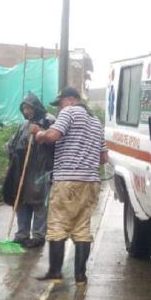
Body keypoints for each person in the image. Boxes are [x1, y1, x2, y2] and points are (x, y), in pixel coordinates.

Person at [32, 86, 107, 284]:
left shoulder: (69, 112)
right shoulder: (95, 121)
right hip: (90, 182)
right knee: (82, 228)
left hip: (67, 180)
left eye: (60, 103)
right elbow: (103, 157)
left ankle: (55, 271)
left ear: (71, 100)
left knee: (57, 224)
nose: (59, 108)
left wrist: (39, 134)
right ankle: (80, 276)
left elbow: (53, 136)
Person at [4, 93, 54, 248]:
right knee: (22, 200)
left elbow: (55, 142)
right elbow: (13, 144)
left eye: (29, 108)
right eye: (24, 108)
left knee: (39, 202)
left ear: (36, 107)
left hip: (41, 169)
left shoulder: (49, 120)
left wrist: (40, 132)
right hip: (23, 169)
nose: (26, 111)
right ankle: (22, 234)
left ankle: (38, 235)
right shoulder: (24, 125)